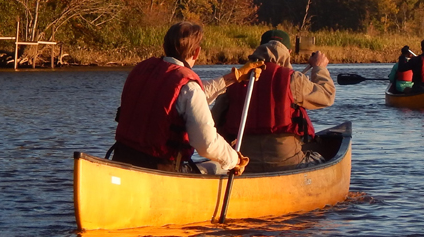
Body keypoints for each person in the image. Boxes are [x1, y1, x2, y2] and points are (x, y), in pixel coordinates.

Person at [110, 21, 258, 175]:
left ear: (165, 46)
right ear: (196, 52)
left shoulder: (142, 71)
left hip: (121, 160)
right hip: (161, 170)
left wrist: (233, 78)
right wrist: (234, 160)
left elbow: (184, 97)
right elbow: (206, 143)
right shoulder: (188, 87)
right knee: (219, 167)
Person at [213, 29, 335, 172]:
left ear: (259, 49)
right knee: (319, 158)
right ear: (288, 52)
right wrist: (319, 68)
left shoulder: (236, 78)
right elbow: (327, 95)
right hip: (287, 160)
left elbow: (214, 121)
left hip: (246, 162)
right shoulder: (292, 79)